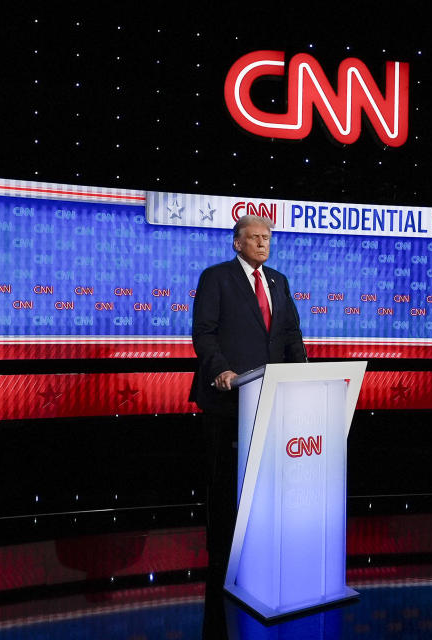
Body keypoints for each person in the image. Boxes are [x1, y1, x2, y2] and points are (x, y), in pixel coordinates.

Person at [190, 215, 307, 574]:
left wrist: (302, 373)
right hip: (228, 398)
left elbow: (290, 334)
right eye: (254, 237)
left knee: (265, 476)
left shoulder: (279, 281)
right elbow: (204, 333)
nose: (262, 243)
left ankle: (261, 540)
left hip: (270, 398)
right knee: (224, 478)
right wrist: (222, 370)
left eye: (267, 238)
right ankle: (223, 551)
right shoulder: (217, 277)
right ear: (237, 243)